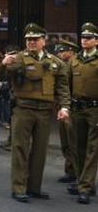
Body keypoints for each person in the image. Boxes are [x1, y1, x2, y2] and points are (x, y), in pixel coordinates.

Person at [0, 23, 70, 203]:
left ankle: (34, 188)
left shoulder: (55, 62)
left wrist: (64, 107)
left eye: (35, 40)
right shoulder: (18, 58)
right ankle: (19, 188)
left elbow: (62, 88)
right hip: (23, 109)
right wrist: (2, 64)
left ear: (44, 41)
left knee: (39, 151)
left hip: (44, 112)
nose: (31, 43)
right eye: (28, 40)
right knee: (20, 148)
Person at [67, 23, 98, 204]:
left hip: (95, 109)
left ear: (96, 40)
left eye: (89, 38)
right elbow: (67, 84)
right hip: (77, 108)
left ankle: (85, 187)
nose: (84, 41)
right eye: (83, 38)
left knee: (93, 149)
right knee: (78, 148)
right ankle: (84, 182)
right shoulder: (75, 60)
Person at [54, 40, 79, 185]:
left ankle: (77, 173)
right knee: (66, 142)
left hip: (73, 108)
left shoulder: (74, 65)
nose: (60, 54)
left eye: (63, 51)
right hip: (63, 107)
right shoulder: (63, 66)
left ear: (71, 51)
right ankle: (70, 171)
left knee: (73, 142)